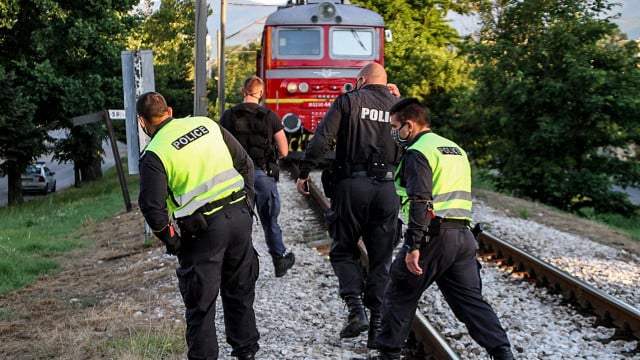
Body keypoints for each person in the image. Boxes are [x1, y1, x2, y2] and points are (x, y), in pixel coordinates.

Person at [373, 98, 515, 360]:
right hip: (463, 237)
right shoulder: (454, 149)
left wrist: (413, 244)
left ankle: (387, 354)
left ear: (410, 125)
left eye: (395, 127)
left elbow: (420, 200)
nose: (394, 133)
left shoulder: (418, 153)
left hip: (433, 235)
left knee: (400, 292)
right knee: (470, 302)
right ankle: (502, 352)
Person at [136, 92, 260, 360]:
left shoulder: (155, 153)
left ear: (142, 122)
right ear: (169, 110)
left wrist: (173, 242)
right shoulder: (206, 124)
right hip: (239, 218)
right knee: (239, 291)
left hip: (203, 232)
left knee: (200, 304)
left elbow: (152, 209)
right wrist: (247, 204)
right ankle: (246, 353)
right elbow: (245, 163)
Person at [296, 62, 401, 349]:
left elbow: (322, 141)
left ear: (361, 80)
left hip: (352, 186)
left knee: (343, 249)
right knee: (381, 258)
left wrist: (304, 171)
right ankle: (377, 327)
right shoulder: (400, 108)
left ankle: (356, 310)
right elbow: (414, 142)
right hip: (388, 189)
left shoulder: (348, 101)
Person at [219, 76, 295, 278]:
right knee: (270, 220)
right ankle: (279, 261)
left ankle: (239, 267)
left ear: (243, 91)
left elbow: (219, 146)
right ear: (260, 93)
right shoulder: (270, 116)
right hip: (263, 175)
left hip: (235, 178)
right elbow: (284, 150)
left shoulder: (228, 116)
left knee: (240, 223)